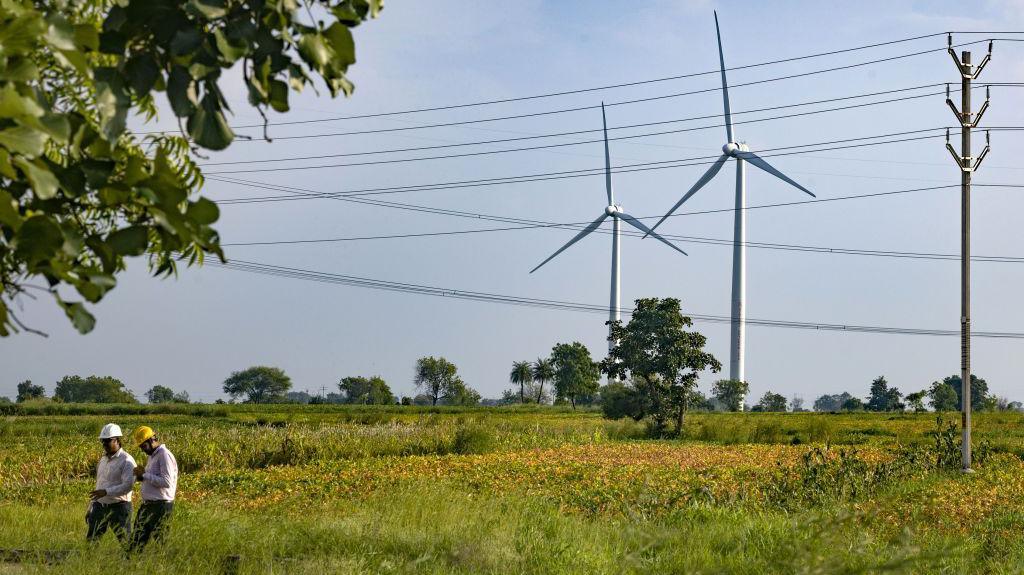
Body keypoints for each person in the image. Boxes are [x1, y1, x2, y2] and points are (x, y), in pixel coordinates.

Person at [128, 426, 178, 552]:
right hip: (148, 506)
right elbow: (153, 478)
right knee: (137, 542)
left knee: (161, 543)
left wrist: (144, 474)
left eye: (143, 446)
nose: (143, 450)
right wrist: (141, 477)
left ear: (152, 440)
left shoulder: (164, 455)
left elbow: (167, 482)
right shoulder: (152, 456)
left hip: (160, 507)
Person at [87, 423, 136, 543]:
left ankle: (131, 561)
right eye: (102, 441)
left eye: (107, 441)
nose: (104, 444)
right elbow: (99, 484)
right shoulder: (103, 460)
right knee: (91, 543)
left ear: (117, 440)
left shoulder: (127, 460)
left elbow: (128, 486)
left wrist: (106, 492)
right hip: (100, 507)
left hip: (119, 508)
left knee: (126, 543)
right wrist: (91, 507)